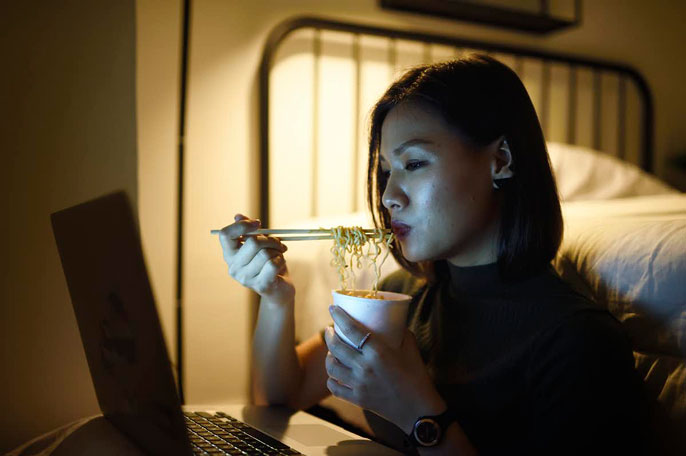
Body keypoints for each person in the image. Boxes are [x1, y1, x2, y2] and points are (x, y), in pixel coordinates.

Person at [217, 55, 657, 455]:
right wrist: (276, 298)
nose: (388, 196)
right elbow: (279, 399)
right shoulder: (399, 298)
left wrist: (417, 411)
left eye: (414, 164)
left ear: (500, 159)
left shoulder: (576, 341)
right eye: (386, 171)